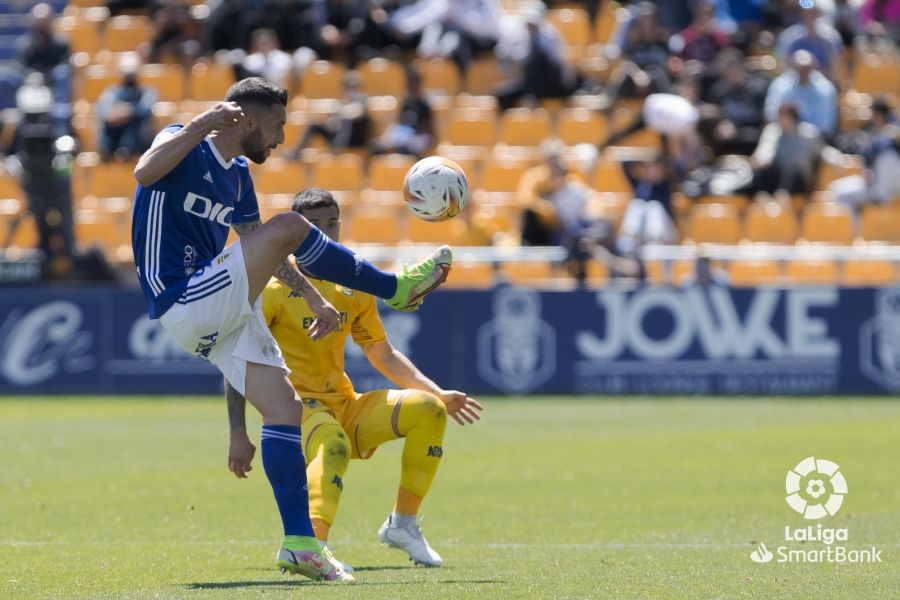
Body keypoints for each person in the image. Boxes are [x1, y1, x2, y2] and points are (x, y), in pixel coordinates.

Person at [130, 77, 453, 582]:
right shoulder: (182, 138)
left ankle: (301, 545)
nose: (281, 139)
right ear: (249, 121)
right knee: (295, 226)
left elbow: (259, 246)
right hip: (180, 295)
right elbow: (145, 172)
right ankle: (395, 288)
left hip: (215, 307)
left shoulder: (238, 175)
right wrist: (202, 124)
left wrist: (313, 295)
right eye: (277, 126)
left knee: (285, 408)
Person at [226, 188, 483, 571]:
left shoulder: (354, 284)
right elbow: (238, 358)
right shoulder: (274, 289)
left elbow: (382, 353)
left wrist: (436, 392)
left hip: (345, 403)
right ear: (298, 235)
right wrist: (237, 431)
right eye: (313, 227)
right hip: (301, 409)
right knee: (333, 445)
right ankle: (313, 548)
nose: (325, 234)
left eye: (331, 224)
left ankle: (403, 525)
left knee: (428, 410)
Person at [764, 49, 837, 138]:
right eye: (798, 68)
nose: (802, 72)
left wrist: (803, 131)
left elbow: (825, 124)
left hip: (814, 140)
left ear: (813, 68)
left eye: (806, 69)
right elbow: (771, 114)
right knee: (769, 132)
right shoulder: (781, 85)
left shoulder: (825, 88)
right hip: (783, 135)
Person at [96, 62, 157, 162]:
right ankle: (105, 149)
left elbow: (146, 109)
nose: (130, 79)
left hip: (138, 140)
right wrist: (117, 115)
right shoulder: (112, 92)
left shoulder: (146, 91)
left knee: (137, 120)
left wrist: (128, 111)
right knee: (106, 123)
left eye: (132, 75)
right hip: (114, 132)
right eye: (127, 75)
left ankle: (126, 150)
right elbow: (105, 112)